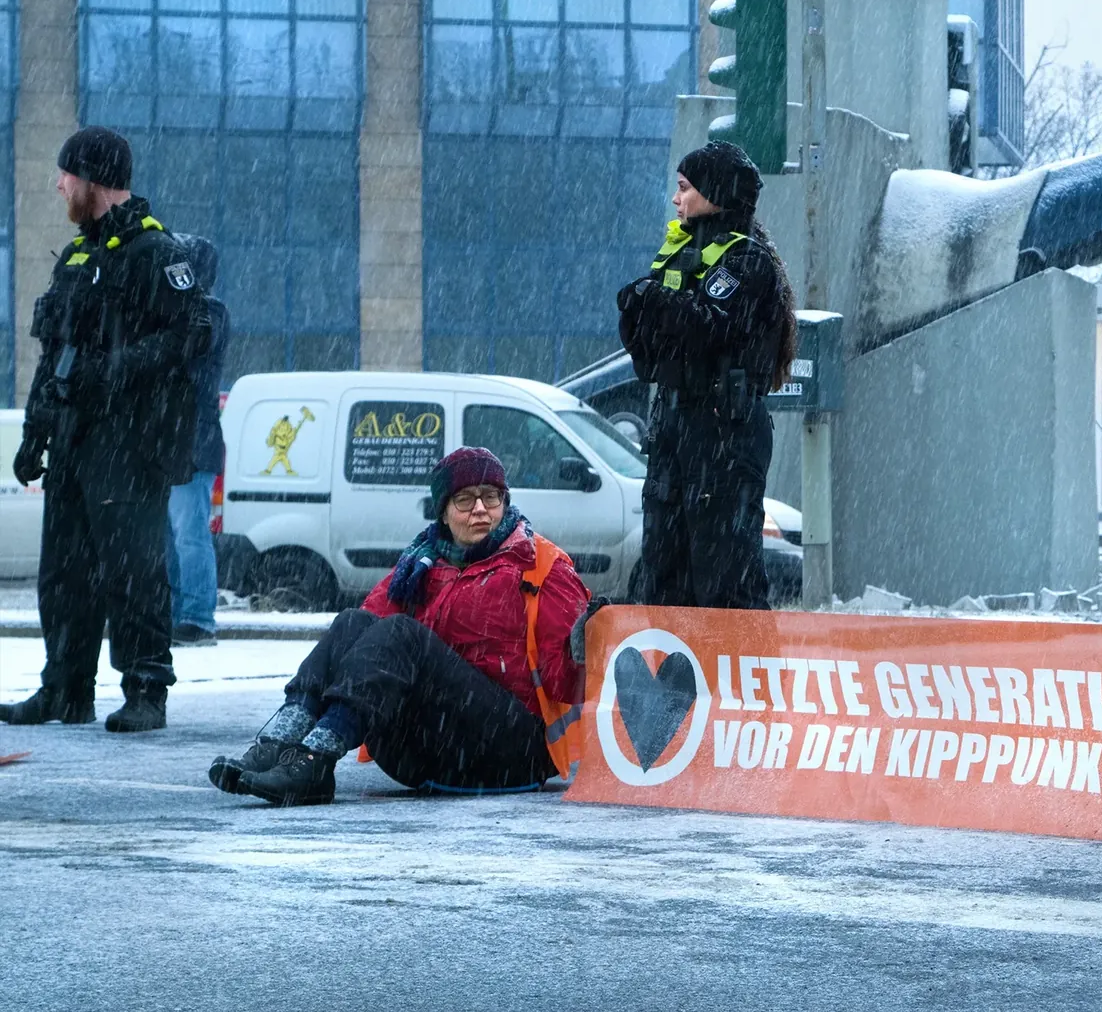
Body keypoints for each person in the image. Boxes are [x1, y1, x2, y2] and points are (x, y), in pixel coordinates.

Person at [207, 448, 590, 805]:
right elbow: (359, 645)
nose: (480, 509)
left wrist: (581, 645)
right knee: (352, 623)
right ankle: (280, 742)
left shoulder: (540, 566)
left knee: (403, 633)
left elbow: (568, 686)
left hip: (510, 751)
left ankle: (316, 757)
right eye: (464, 499)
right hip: (426, 750)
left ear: (504, 502)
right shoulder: (419, 566)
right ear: (443, 512)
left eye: (490, 497)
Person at [2, 127, 212, 733]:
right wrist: (35, 431)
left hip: (128, 440)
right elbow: (55, 356)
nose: (58, 185)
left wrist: (113, 370)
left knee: (132, 569)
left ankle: (146, 689)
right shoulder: (76, 256)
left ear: (91, 177)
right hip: (72, 439)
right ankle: (65, 689)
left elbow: (191, 335)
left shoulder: (154, 252)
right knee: (64, 571)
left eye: (65, 175)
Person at [616, 140, 797, 610]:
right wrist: (638, 310)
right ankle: (665, 675)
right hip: (675, 423)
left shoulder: (747, 261)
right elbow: (652, 352)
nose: (676, 201)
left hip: (723, 431)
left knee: (723, 573)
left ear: (714, 192)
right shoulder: (679, 252)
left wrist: (656, 305)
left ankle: (737, 679)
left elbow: (709, 327)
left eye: (684, 189)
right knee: (662, 564)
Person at [166, 234, 227, 648]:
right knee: (169, 534)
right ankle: (175, 612)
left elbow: (185, 356)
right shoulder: (192, 310)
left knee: (188, 532)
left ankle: (197, 616)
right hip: (173, 438)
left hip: (193, 438)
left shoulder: (210, 313)